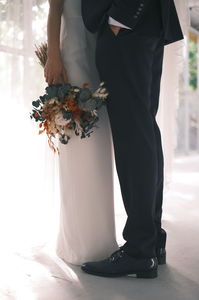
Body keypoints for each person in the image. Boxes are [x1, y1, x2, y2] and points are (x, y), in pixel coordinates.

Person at [80, 0, 184, 278]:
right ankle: (151, 241)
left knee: (134, 138)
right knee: (143, 132)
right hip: (143, 23)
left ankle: (140, 250)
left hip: (129, 23)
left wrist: (121, 18)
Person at [44, 0, 119, 265]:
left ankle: (101, 239)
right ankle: (79, 241)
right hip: (73, 56)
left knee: (99, 146)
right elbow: (55, 9)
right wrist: (54, 55)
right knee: (78, 143)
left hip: (100, 56)